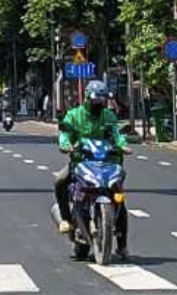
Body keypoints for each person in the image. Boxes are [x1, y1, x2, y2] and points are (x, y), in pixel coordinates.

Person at [53, 80, 128, 228]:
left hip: (107, 164)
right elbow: (65, 133)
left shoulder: (109, 116)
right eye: (96, 101)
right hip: (81, 162)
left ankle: (122, 244)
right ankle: (66, 219)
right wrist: (66, 145)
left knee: (118, 196)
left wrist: (123, 145)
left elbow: (116, 135)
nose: (99, 104)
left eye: (102, 101)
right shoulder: (74, 115)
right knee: (60, 181)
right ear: (87, 99)